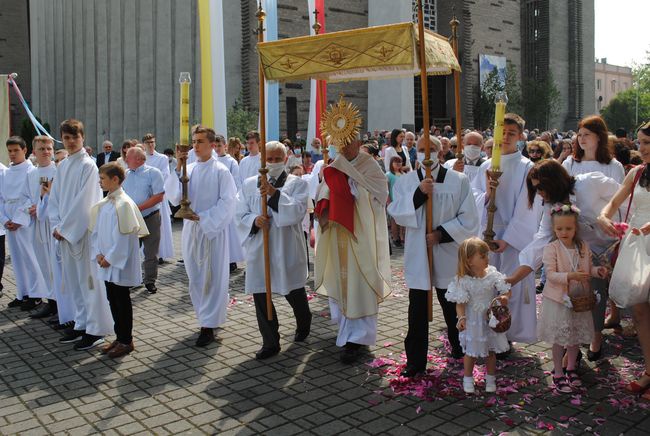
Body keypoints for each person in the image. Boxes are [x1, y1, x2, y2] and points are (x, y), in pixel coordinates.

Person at [389, 136, 480, 376]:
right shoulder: (406, 181)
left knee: (452, 306)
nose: (425, 153)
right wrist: (419, 194)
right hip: (419, 254)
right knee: (417, 309)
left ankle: (461, 349)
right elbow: (397, 213)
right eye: (420, 149)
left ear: (440, 153)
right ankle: (416, 362)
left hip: (447, 252)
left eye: (430, 149)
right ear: (414, 152)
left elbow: (470, 218)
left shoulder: (458, 181)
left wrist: (441, 234)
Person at [314, 139, 391, 363]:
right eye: (341, 143)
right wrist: (327, 199)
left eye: (348, 143)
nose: (344, 147)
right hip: (338, 234)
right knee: (341, 281)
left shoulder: (369, 165)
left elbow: (380, 195)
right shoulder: (335, 164)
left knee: (361, 283)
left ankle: (358, 338)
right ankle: (345, 330)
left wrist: (352, 188)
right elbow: (322, 192)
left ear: (357, 142)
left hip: (361, 234)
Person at [472, 113, 543, 348]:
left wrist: (510, 239)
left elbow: (528, 206)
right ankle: (488, 334)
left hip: (512, 239)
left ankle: (506, 336)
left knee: (507, 287)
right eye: (502, 132)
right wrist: (488, 195)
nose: (505, 137)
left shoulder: (527, 168)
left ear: (521, 136)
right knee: (486, 286)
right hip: (486, 235)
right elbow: (472, 198)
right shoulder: (485, 165)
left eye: (511, 133)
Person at [235, 141, 312, 359]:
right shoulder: (250, 184)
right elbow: (238, 212)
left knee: (293, 290)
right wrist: (254, 220)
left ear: (286, 159)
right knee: (261, 291)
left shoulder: (297, 183)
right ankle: (270, 342)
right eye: (269, 159)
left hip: (286, 246)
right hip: (260, 246)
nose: (274, 163)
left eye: (278, 159)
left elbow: (296, 212)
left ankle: (304, 321)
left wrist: (274, 194)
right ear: (262, 160)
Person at [165, 125, 237, 347]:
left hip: (211, 230)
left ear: (212, 145)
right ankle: (203, 318)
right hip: (191, 231)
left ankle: (209, 325)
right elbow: (175, 197)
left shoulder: (221, 171)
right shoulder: (190, 168)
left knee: (213, 277)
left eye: (200, 142)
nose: (195, 146)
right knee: (196, 276)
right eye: (194, 141)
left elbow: (228, 202)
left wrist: (204, 218)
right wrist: (178, 165)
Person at [49, 119, 113, 350]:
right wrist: (56, 225)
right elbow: (54, 199)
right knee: (74, 282)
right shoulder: (63, 165)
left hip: (82, 233)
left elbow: (85, 202)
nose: (71, 142)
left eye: (74, 137)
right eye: (66, 138)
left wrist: (65, 229)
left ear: (82, 138)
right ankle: (81, 322)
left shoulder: (89, 166)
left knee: (89, 282)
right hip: (65, 233)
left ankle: (96, 330)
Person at [597, 121, 650, 401]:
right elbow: (614, 203)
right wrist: (604, 216)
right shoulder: (637, 173)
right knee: (640, 311)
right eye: (639, 142)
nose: (640, 148)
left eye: (647, 143)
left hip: (647, 236)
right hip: (637, 243)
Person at [538, 204, 607, 393]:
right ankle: (558, 372)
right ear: (554, 228)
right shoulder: (552, 248)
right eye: (559, 229)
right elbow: (551, 275)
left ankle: (571, 368)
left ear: (575, 228)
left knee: (574, 337)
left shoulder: (582, 246)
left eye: (568, 228)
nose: (564, 232)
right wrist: (570, 276)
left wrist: (597, 271)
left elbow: (587, 269)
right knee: (560, 338)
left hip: (579, 300)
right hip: (559, 300)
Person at [90, 162, 148, 358]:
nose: (99, 182)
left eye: (102, 178)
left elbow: (124, 237)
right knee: (112, 299)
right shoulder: (105, 203)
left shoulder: (124, 204)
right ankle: (119, 336)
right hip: (105, 260)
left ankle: (126, 340)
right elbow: (96, 232)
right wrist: (97, 253)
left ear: (115, 180)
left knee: (122, 301)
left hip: (116, 263)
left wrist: (110, 258)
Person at [446, 238, 511, 394]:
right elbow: (460, 303)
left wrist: (504, 298)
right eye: (483, 256)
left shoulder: (492, 274)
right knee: (471, 353)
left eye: (487, 255)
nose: (487, 259)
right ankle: (468, 378)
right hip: (473, 321)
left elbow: (506, 290)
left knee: (490, 351)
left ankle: (490, 378)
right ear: (470, 260)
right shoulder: (463, 280)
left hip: (490, 319)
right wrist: (461, 318)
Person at [1, 136, 48, 311]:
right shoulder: (5, 172)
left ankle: (36, 295)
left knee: (30, 257)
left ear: (25, 150)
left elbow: (33, 197)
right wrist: (5, 219)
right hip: (9, 217)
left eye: (16, 150)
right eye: (10, 151)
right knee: (16, 259)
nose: (12, 154)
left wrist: (19, 220)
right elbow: (0, 198)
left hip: (25, 219)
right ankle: (22, 293)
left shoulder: (32, 170)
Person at [23, 136, 60, 319]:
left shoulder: (58, 171)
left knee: (55, 266)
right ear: (34, 152)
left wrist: (41, 206)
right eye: (41, 148)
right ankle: (51, 302)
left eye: (48, 148)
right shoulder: (31, 174)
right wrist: (30, 207)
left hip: (52, 225)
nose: (46, 151)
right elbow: (25, 197)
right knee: (44, 265)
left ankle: (61, 304)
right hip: (37, 225)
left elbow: (59, 198)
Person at [123, 147, 165, 294]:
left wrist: (138, 208)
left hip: (150, 217)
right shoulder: (125, 174)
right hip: (131, 218)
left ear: (139, 159)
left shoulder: (153, 173)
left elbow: (159, 196)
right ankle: (131, 279)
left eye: (128, 157)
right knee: (130, 250)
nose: (125, 159)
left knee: (150, 252)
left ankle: (149, 281)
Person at [142, 133, 175, 264]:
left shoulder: (162, 158)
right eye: (148, 142)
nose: (150, 145)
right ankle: (147, 253)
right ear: (144, 144)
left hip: (158, 194)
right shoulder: (141, 157)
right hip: (144, 195)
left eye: (152, 142)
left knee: (160, 225)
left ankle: (160, 253)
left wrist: (151, 185)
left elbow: (165, 174)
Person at [214, 134, 245, 273]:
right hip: (215, 202)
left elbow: (236, 182)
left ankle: (232, 260)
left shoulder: (231, 162)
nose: (217, 149)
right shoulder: (212, 161)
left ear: (225, 146)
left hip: (228, 200)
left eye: (219, 146)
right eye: (215, 146)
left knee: (230, 233)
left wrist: (231, 198)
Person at [563, 115, 625, 183]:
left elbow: (620, 192)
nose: (582, 138)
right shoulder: (569, 163)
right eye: (579, 135)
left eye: (586, 134)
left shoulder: (614, 166)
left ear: (599, 136)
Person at [386, 156, 404, 248]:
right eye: (396, 162)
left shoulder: (403, 174)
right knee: (394, 220)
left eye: (400, 162)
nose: (398, 164)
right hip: (393, 200)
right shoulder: (388, 175)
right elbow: (387, 189)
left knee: (402, 220)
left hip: (402, 200)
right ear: (391, 164)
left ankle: (402, 236)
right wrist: (388, 200)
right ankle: (395, 238)